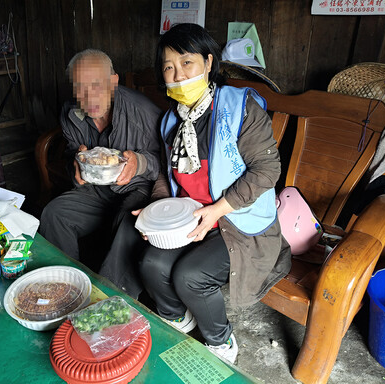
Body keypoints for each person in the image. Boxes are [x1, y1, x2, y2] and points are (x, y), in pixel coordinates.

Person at [136, 23, 292, 364]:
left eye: (186, 63)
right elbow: (167, 177)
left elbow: (267, 171)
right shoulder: (170, 122)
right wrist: (157, 208)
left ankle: (221, 341)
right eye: (168, 67)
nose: (177, 75)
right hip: (193, 216)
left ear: (209, 63)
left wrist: (218, 209)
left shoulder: (241, 108)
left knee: (190, 276)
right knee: (151, 264)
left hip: (241, 221)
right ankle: (179, 318)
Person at [39, 49, 161, 269]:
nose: (88, 97)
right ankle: (68, 283)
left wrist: (139, 163)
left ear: (113, 82)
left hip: (136, 188)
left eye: (96, 85)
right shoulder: (70, 114)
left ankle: (112, 297)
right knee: (54, 214)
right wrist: (74, 165)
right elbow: (72, 155)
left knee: (126, 224)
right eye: (79, 88)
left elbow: (167, 164)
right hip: (95, 191)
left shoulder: (144, 114)